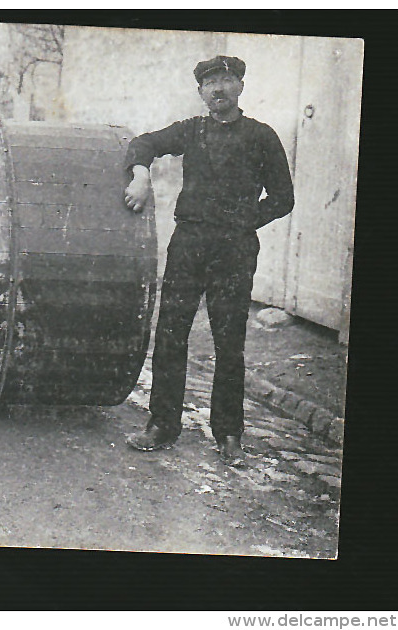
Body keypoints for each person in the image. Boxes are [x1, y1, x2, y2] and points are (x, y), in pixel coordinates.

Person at [122, 55, 294, 465]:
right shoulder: (191, 131)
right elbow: (143, 143)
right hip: (189, 242)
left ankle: (230, 434)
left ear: (240, 87)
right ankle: (162, 424)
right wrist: (141, 175)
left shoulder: (261, 136)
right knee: (170, 334)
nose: (218, 88)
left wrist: (244, 220)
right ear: (200, 92)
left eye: (226, 80)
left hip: (234, 250)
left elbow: (284, 198)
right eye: (210, 82)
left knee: (229, 342)